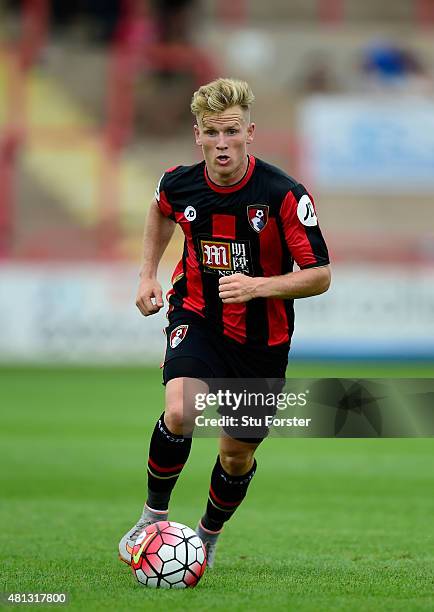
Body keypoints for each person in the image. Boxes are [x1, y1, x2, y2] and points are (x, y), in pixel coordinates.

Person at [118, 77, 331, 569]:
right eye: (211, 133)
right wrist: (147, 273)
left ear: (249, 132)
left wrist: (257, 286)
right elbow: (160, 211)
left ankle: (206, 536)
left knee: (236, 456)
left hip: (263, 340)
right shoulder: (179, 182)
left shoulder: (283, 194)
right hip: (197, 314)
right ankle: (153, 519)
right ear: (198, 134)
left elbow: (320, 275)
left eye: (230, 132)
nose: (221, 144)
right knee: (181, 410)